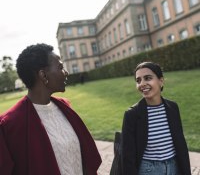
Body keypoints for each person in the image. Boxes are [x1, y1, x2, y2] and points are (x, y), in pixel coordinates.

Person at [0, 43, 102, 175]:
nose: (66, 72)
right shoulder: (9, 125)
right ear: (43, 75)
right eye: (60, 67)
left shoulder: (64, 108)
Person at [121, 61, 191, 175]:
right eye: (138, 80)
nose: (142, 84)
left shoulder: (173, 108)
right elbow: (127, 157)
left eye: (147, 78)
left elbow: (181, 145)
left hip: (174, 167)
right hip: (148, 170)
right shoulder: (131, 114)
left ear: (161, 81)